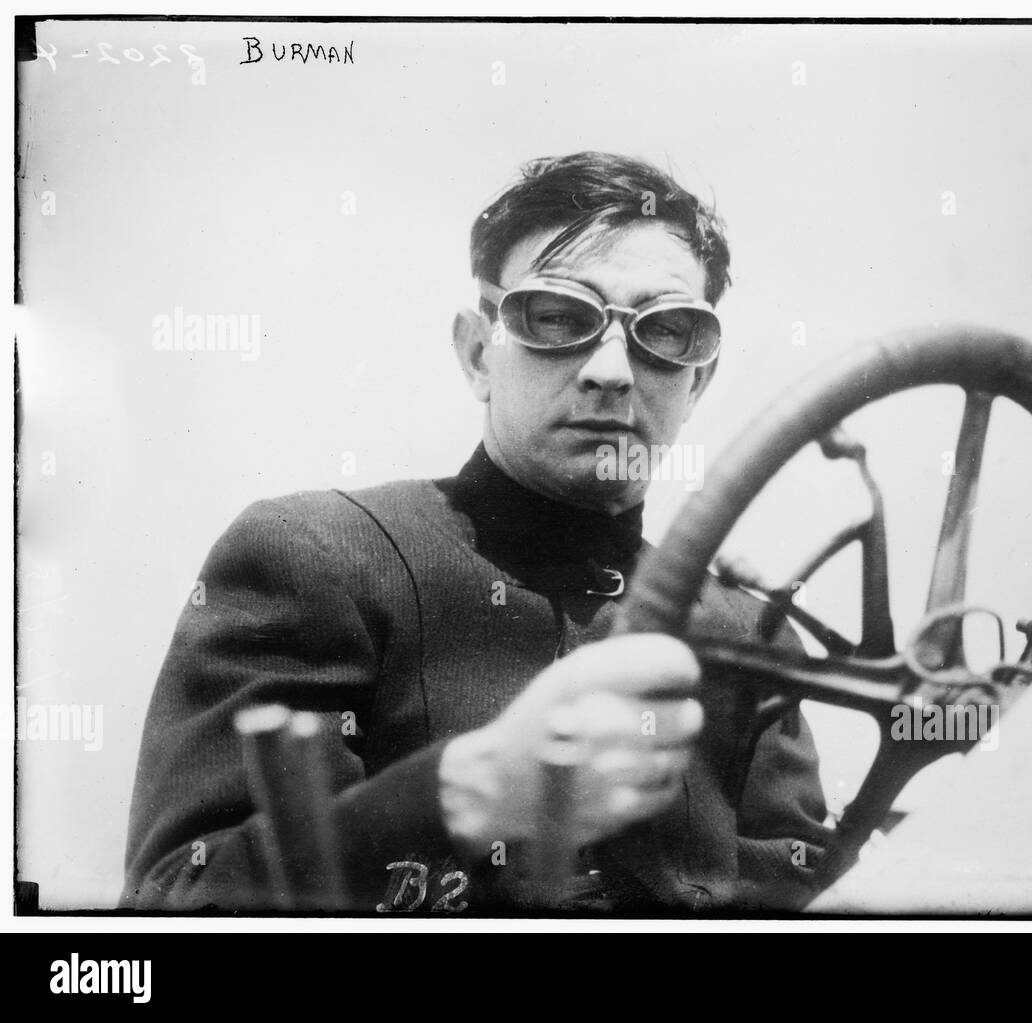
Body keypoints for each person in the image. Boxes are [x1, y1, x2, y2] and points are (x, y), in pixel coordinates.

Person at [122, 151, 831, 913]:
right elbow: (172, 901)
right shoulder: (315, 554)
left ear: (699, 379)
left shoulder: (749, 637)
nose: (612, 371)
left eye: (667, 331)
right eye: (559, 316)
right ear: (476, 352)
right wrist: (465, 792)